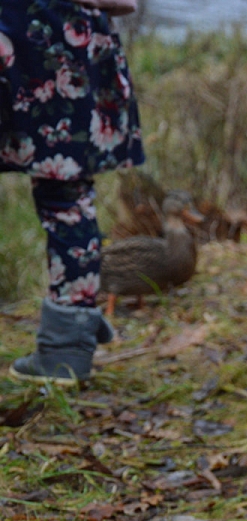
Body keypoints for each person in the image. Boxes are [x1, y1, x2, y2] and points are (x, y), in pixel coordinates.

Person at [2, 0, 143, 384]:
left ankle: (66, 346)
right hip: (68, 33)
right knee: (68, 197)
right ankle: (66, 347)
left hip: (36, 31)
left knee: (67, 195)